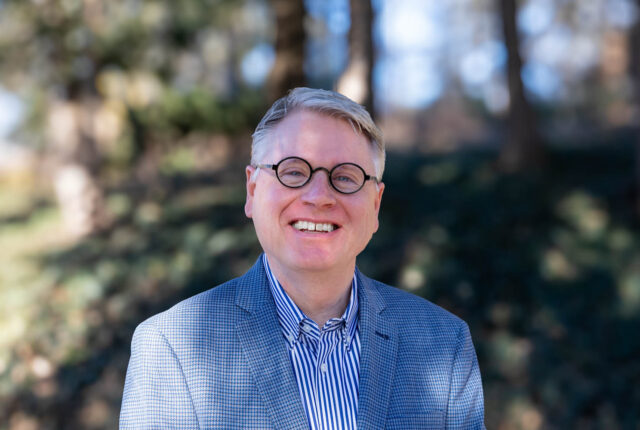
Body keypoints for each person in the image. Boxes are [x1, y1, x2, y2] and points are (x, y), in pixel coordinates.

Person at [120, 88, 485, 429]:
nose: (319, 196)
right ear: (252, 190)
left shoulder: (445, 342)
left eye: (346, 177)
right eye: (293, 171)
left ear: (375, 206)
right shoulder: (170, 347)